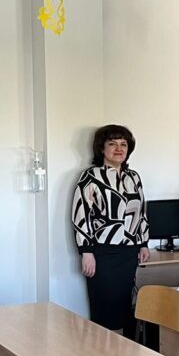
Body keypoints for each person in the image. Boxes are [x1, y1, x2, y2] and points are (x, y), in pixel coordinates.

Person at [72, 124, 150, 338]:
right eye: (113, 144)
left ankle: (124, 353)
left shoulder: (134, 177)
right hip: (103, 253)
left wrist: (143, 243)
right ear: (102, 148)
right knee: (104, 308)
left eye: (123, 144)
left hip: (129, 253)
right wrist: (86, 252)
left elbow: (141, 212)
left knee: (126, 307)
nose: (119, 149)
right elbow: (81, 215)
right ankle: (101, 354)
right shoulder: (91, 176)